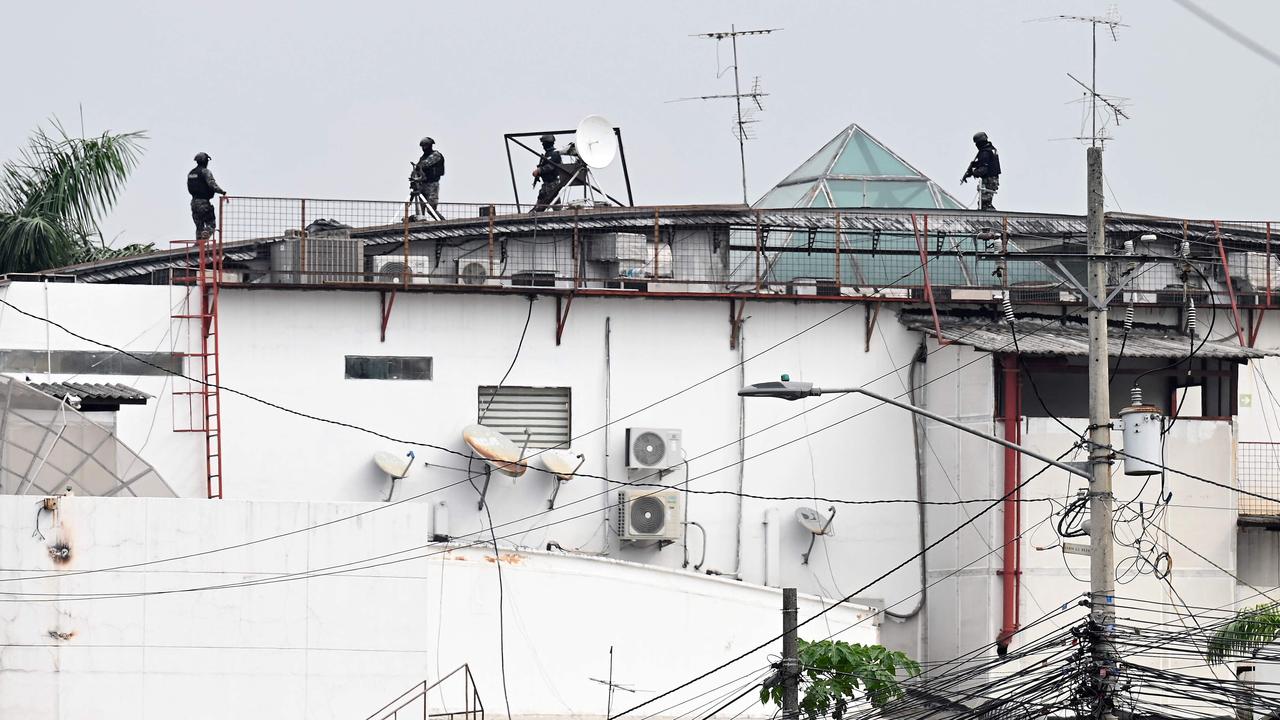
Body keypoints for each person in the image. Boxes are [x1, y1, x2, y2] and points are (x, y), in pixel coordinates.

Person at [187, 152, 227, 239]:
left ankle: (198, 245)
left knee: (199, 226)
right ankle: (204, 237)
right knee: (211, 224)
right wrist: (222, 192)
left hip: (194, 203)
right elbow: (212, 184)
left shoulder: (191, 173)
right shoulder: (205, 171)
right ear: (205, 161)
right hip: (203, 203)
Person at [961, 131, 1001, 211]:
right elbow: (986, 163)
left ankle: (988, 218)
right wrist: (974, 166)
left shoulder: (985, 152)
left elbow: (983, 169)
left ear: (979, 143)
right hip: (993, 179)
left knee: (984, 204)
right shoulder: (991, 149)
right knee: (985, 203)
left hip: (989, 180)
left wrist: (973, 172)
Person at [409, 137, 445, 217]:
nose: (423, 148)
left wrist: (418, 167)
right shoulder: (423, 157)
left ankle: (443, 223)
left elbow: (425, 164)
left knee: (431, 210)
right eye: (422, 147)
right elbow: (418, 167)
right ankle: (421, 224)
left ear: (430, 146)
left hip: (432, 185)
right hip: (422, 185)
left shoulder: (436, 155)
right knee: (420, 211)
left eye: (425, 146)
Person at [531, 134, 564, 212]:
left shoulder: (554, 154)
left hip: (551, 184)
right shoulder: (547, 154)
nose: (542, 145)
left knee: (540, 204)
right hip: (549, 183)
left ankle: (534, 215)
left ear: (548, 143)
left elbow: (551, 166)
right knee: (555, 203)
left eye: (544, 143)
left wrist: (539, 170)